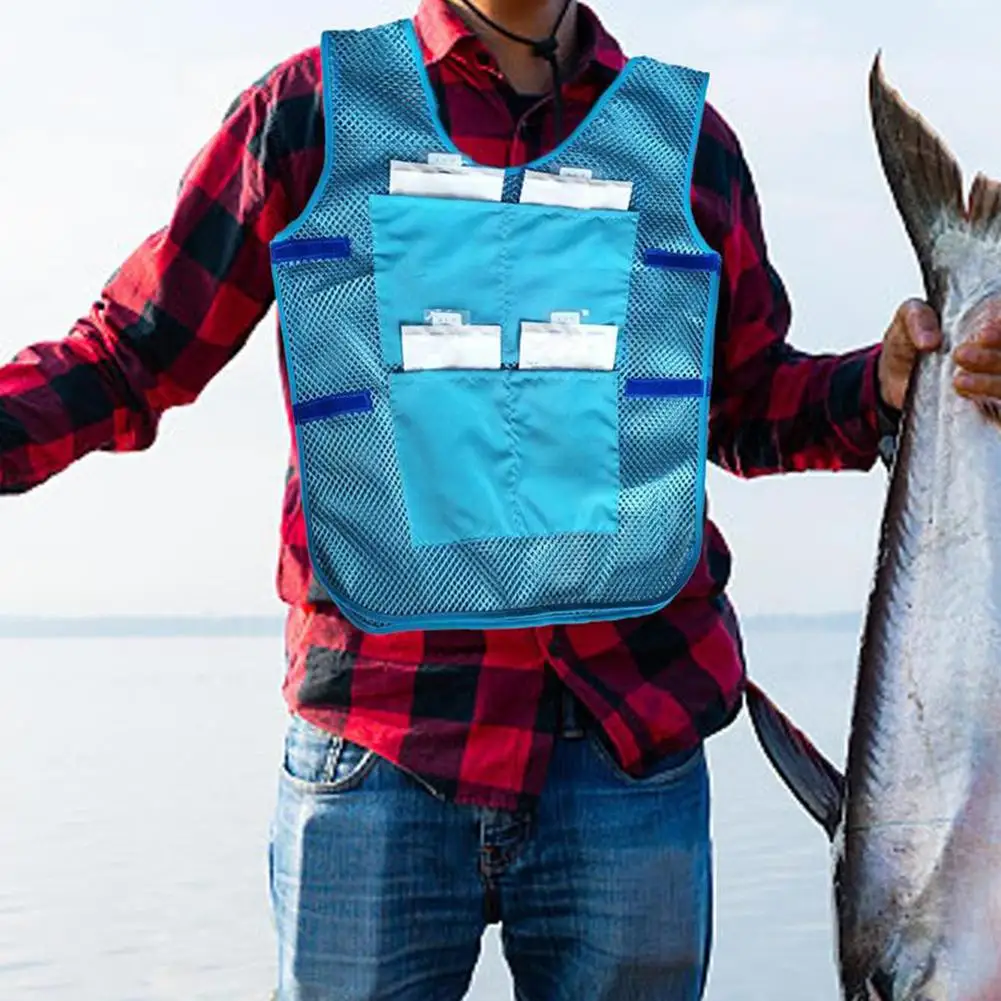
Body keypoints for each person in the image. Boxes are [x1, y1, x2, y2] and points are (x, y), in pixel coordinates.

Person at [2, 1, 1000, 999]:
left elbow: (739, 404)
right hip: (378, 751)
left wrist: (883, 382)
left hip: (627, 758)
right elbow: (129, 354)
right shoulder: (313, 114)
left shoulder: (686, 144)